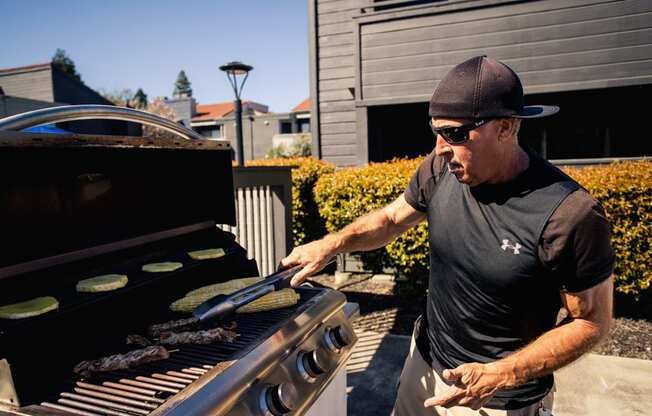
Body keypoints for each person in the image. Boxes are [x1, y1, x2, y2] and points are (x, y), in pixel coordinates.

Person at [280, 56, 614, 416]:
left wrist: (503, 373)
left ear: (505, 127)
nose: (441, 147)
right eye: (437, 132)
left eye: (455, 134)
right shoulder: (442, 168)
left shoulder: (568, 213)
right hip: (424, 364)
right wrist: (331, 244)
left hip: (497, 397)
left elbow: (591, 321)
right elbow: (393, 218)